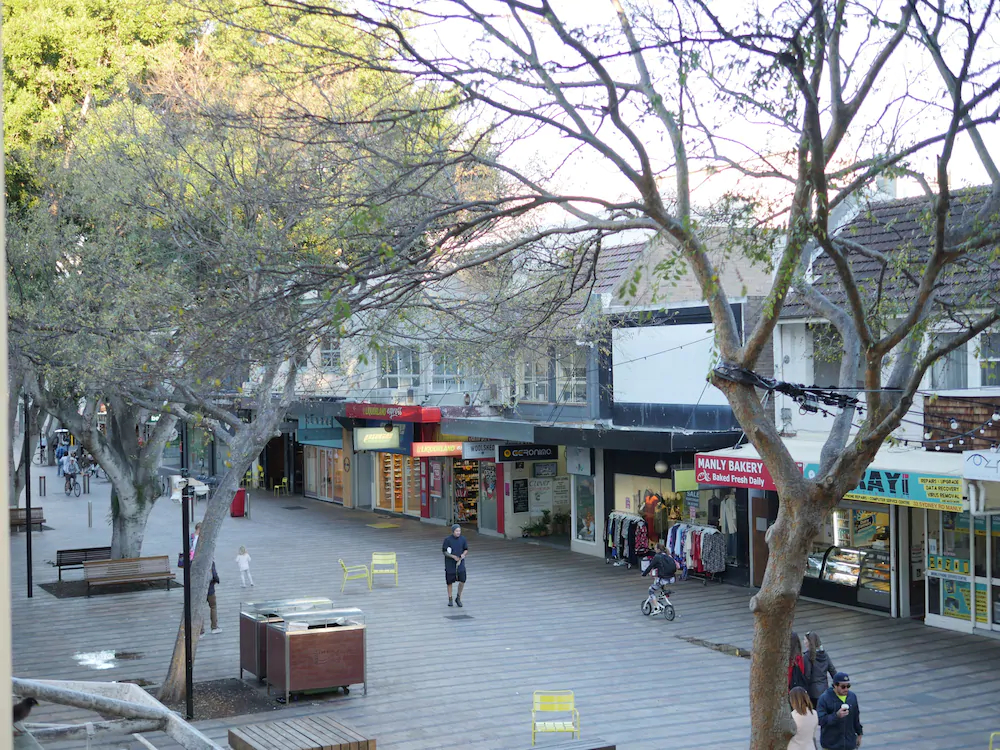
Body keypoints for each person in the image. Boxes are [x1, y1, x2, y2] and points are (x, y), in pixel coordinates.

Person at [817, 672, 863, 749]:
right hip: (831, 745)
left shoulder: (852, 697)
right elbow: (821, 720)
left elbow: (856, 717)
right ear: (835, 685)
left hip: (849, 744)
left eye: (848, 686)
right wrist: (836, 715)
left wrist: (859, 733)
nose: (846, 689)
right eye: (843, 687)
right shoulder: (824, 698)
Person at [640, 541, 677, 615]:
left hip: (663, 579)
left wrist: (644, 574)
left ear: (658, 549)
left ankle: (657, 607)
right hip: (672, 578)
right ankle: (662, 596)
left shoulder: (657, 557)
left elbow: (650, 566)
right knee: (661, 587)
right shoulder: (668, 556)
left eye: (655, 549)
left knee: (651, 590)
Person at [805, 631, 838, 707]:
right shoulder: (824, 654)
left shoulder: (807, 656)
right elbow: (832, 670)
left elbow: (807, 675)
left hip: (812, 692)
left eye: (805, 640)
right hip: (824, 691)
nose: (804, 642)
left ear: (809, 642)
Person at [442, 524, 468, 607]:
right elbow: (444, 551)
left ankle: (458, 597)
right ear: (453, 531)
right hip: (450, 564)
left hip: (460, 562)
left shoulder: (463, 539)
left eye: (459, 531)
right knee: (449, 581)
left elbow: (466, 549)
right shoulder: (448, 540)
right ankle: (450, 598)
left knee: (462, 580)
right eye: (457, 531)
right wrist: (452, 556)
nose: (458, 532)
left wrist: (463, 555)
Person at [203, 561, 221, 634]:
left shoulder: (194, 561)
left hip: (199, 591)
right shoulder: (210, 562)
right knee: (213, 607)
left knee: (200, 610)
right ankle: (214, 627)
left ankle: (200, 630)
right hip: (210, 590)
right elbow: (214, 575)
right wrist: (217, 580)